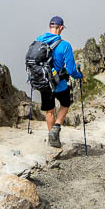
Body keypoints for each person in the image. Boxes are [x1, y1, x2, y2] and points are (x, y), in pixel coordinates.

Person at [36, 15, 82, 147]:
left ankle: (52, 139)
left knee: (49, 111)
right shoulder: (65, 46)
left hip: (44, 83)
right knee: (65, 104)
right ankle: (56, 127)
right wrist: (79, 76)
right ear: (61, 28)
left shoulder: (39, 41)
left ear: (50, 26)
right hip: (59, 83)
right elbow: (72, 70)